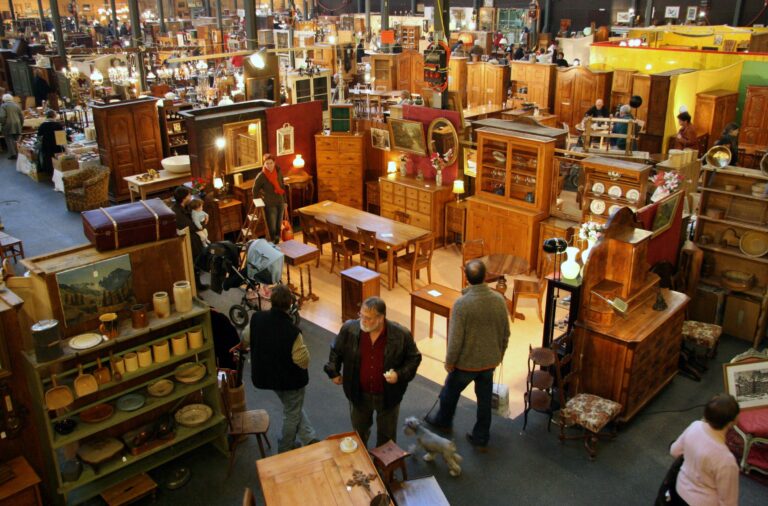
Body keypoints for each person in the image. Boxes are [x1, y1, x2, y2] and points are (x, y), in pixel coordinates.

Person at [425, 260, 510, 448]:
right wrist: (498, 355)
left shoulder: (462, 304)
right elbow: (506, 333)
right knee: (484, 400)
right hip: (490, 362)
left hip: (466, 364)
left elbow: (455, 339)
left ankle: (443, 421)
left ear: (466, 278)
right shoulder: (499, 300)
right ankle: (481, 436)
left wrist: (449, 362)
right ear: (485, 276)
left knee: (449, 392)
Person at [324, 297, 422, 447]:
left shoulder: (401, 334)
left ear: (381, 318)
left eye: (368, 318)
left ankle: (384, 468)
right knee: (359, 433)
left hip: (388, 395)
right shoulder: (350, 328)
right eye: (361, 315)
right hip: (358, 393)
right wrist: (334, 371)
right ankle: (361, 462)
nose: (363, 320)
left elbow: (414, 358)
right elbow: (336, 350)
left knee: (386, 437)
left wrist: (399, 375)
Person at [251, 284, 318, 453]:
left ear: (271, 301)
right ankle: (285, 447)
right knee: (292, 413)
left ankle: (309, 437)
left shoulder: (257, 318)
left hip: (266, 375)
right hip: (289, 381)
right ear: (290, 305)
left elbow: (246, 336)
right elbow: (302, 360)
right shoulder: (292, 331)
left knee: (292, 408)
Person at [669, 393, 740, 506]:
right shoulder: (727, 461)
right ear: (732, 422)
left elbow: (674, 451)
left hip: (678, 490)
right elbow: (728, 502)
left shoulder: (695, 426)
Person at [171, 186, 208, 290]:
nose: (190, 197)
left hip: (193, 238)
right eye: (189, 195)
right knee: (193, 264)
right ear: (184, 198)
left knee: (196, 263)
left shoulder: (185, 207)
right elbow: (191, 227)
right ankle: (194, 288)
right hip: (187, 241)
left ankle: (198, 285)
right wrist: (202, 223)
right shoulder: (177, 212)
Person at [252, 153, 287, 243]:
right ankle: (273, 243)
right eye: (267, 163)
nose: (269, 165)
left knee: (279, 224)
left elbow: (282, 186)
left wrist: (285, 201)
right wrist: (259, 202)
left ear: (274, 162)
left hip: (280, 201)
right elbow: (255, 190)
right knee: (272, 225)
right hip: (270, 204)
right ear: (264, 164)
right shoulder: (261, 176)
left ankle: (277, 242)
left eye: (271, 163)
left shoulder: (278, 171)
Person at [0, 94, 24, 160]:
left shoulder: (3, 106)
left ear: (3, 99)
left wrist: (3, 123)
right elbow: (21, 116)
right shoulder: (16, 105)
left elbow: (2, 116)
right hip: (17, 124)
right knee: (18, 139)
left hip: (8, 125)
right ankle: (21, 153)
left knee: (9, 139)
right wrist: (21, 124)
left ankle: (13, 155)